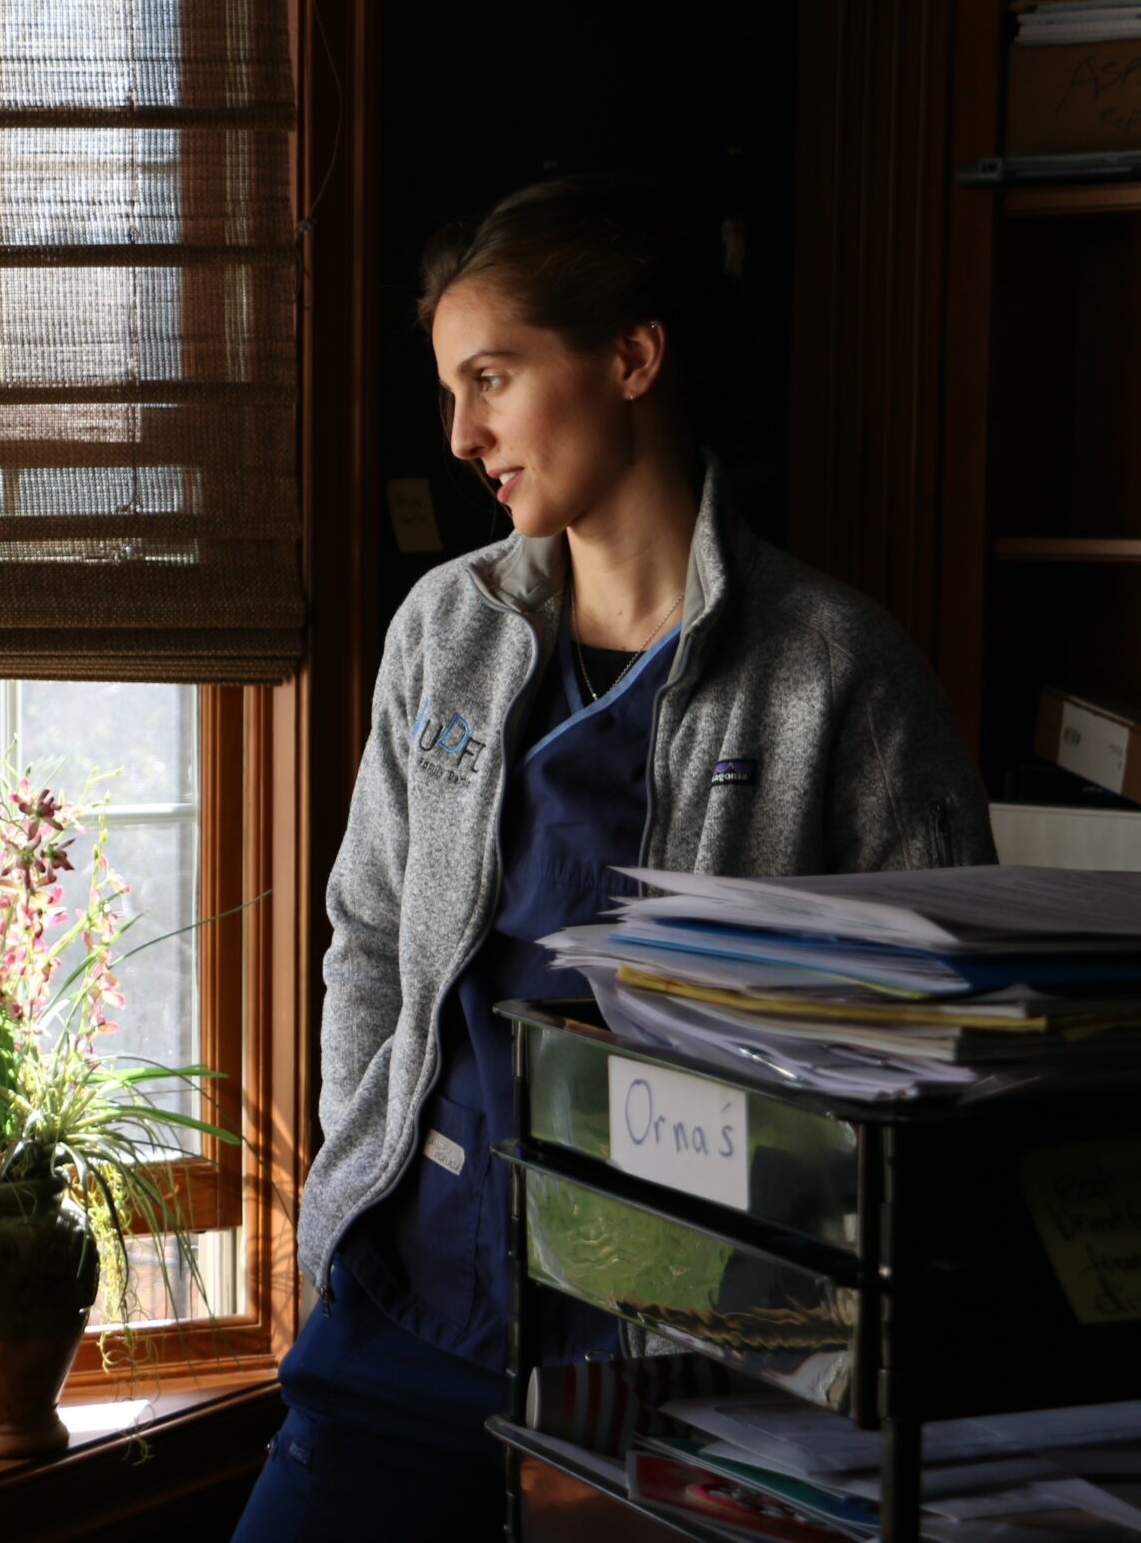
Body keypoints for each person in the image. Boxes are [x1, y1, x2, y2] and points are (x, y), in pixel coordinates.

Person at [231, 174, 996, 1539]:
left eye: (492, 378)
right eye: (453, 391)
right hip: (405, 1313)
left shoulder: (837, 675)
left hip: (683, 1371)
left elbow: (940, 1060)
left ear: (630, 360)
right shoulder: (442, 631)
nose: (462, 434)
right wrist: (339, 1209)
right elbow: (368, 937)